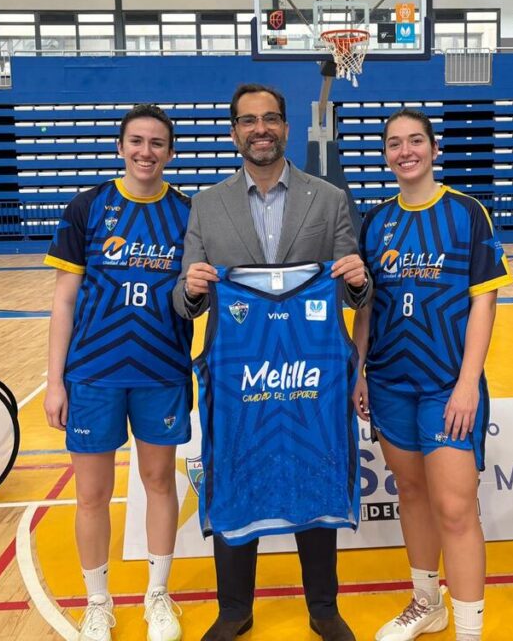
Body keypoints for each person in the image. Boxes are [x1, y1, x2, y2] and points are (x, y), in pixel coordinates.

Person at [172, 83, 371, 641]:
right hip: (239, 376)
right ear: (234, 131)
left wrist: (358, 283)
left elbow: (353, 288)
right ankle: (234, 609)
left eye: (271, 119)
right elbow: (183, 301)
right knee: (237, 475)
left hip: (309, 373)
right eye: (248, 120)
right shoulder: (206, 205)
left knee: (313, 469)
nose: (260, 129)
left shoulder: (328, 198)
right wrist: (189, 290)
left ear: (286, 127)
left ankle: (324, 607)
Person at [352, 108, 513, 641]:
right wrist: (359, 373)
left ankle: (469, 627)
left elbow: (484, 305)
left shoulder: (467, 214)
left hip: (448, 385)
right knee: (413, 494)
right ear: (386, 155)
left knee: (455, 506)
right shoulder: (375, 222)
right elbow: (367, 308)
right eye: (394, 143)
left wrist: (468, 383)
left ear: (434, 148)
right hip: (390, 382)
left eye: (415, 140)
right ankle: (428, 604)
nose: (406, 151)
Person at [44, 104, 192, 641]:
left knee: (157, 481)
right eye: (136, 141)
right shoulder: (88, 207)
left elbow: (200, 294)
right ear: (120, 146)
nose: (145, 152)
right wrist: (55, 380)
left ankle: (158, 594)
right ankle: (98, 601)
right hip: (93, 374)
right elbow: (64, 302)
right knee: (91, 494)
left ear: (170, 152)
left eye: (157, 143)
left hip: (161, 371)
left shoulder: (186, 214)